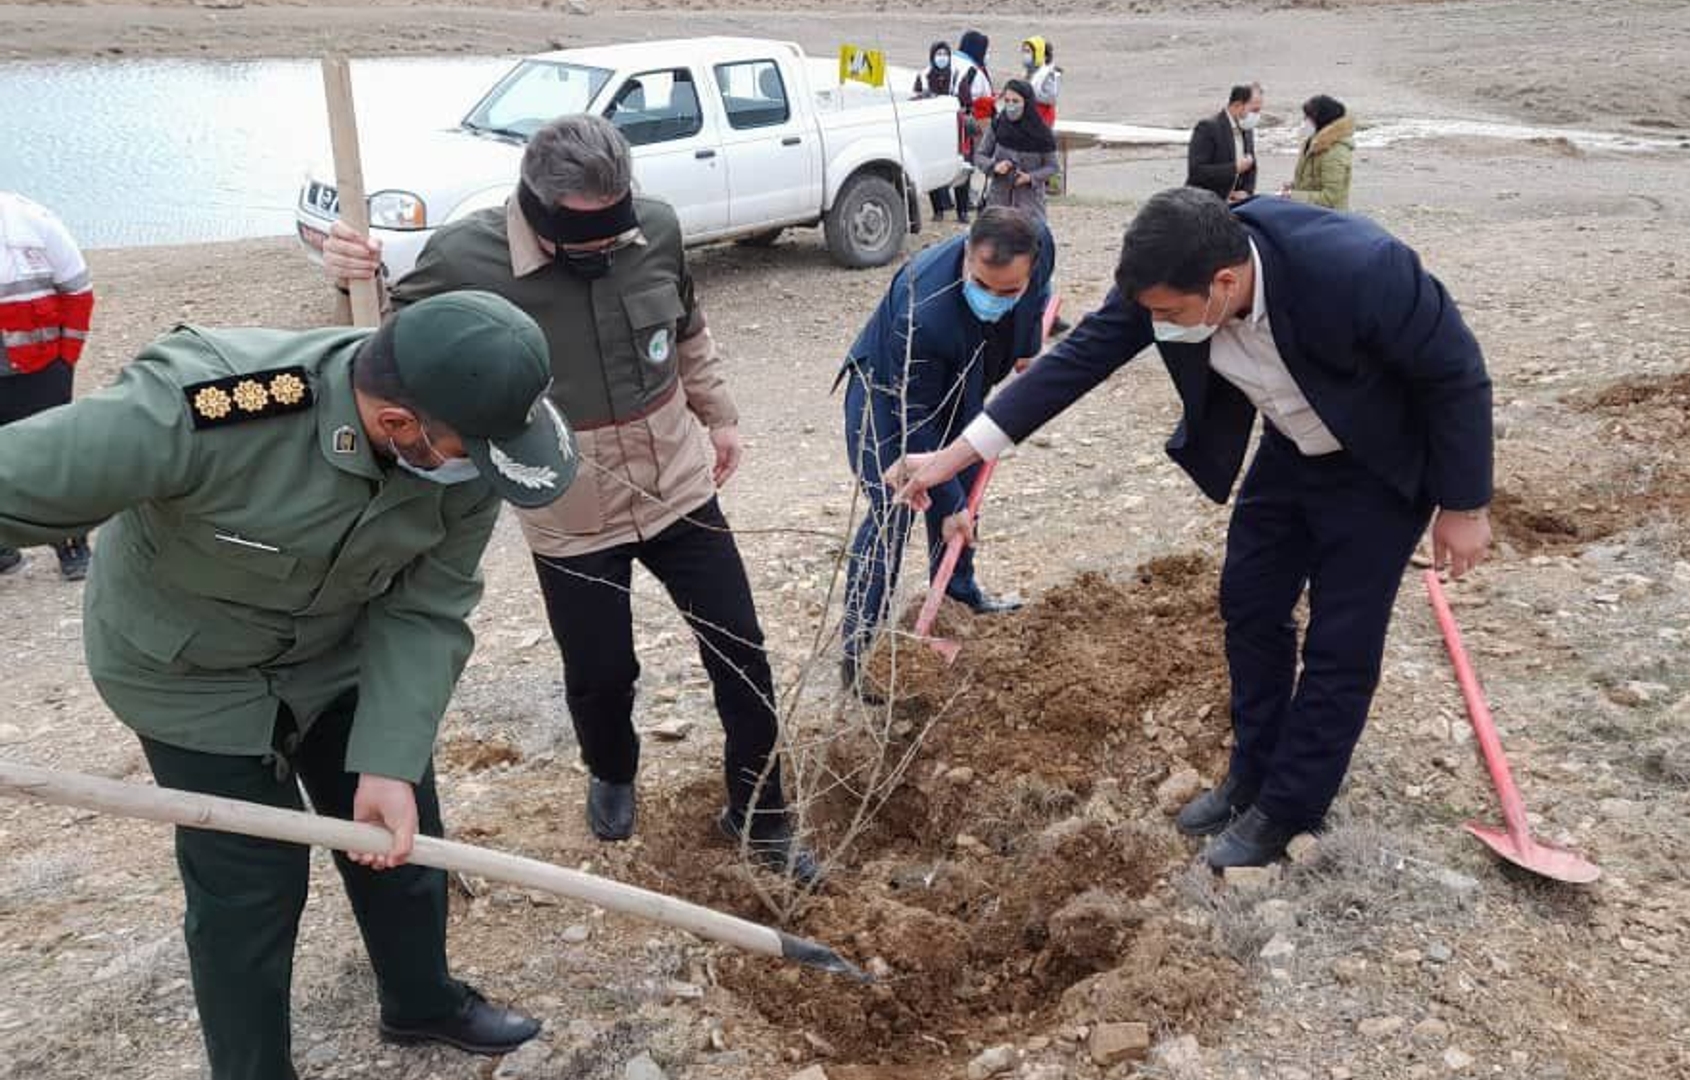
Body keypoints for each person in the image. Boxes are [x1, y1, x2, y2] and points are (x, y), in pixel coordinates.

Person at [0, 289, 572, 1079]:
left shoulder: (468, 453)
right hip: (190, 677)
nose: (476, 471)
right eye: (466, 452)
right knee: (250, 887)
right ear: (400, 425)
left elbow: (430, 604)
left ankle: (421, 1002)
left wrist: (390, 759)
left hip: (339, 653)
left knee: (401, 839)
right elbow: (13, 483)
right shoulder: (210, 406)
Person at [885, 188, 1494, 870]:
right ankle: (1251, 777)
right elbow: (1074, 363)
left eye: (1171, 314)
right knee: (1250, 603)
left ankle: (1291, 806)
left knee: (1340, 643)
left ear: (1224, 284)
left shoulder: (1358, 268)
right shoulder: (1167, 279)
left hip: (1381, 465)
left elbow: (1455, 372)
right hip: (1292, 449)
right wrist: (951, 459)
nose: (1158, 325)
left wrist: (1464, 506)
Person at [322, 115, 820, 885]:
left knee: (741, 651)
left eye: (614, 226)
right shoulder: (464, 255)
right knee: (600, 672)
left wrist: (718, 417)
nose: (604, 246)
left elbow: (688, 331)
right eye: (583, 234)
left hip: (676, 484)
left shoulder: (653, 229)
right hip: (569, 508)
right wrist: (352, 273)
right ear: (538, 203)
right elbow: (387, 356)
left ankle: (762, 815)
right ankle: (612, 772)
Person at [837, 208, 1054, 692]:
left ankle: (957, 598)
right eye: (982, 284)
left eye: (1008, 291)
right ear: (965, 255)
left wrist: (1026, 339)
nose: (994, 298)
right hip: (891, 400)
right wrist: (951, 502)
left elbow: (1036, 299)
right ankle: (858, 650)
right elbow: (920, 427)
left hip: (966, 376)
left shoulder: (1039, 244)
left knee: (965, 479)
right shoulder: (923, 311)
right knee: (897, 508)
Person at [0, 191, 96, 582]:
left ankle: (71, 544)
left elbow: (78, 290)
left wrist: (66, 359)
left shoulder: (34, 222)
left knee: (52, 460)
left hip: (39, 368)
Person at [974, 80, 1061, 221]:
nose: (1011, 106)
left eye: (1015, 101)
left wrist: (1030, 177)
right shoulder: (997, 125)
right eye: (1007, 100)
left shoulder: (1043, 133)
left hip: (1030, 207)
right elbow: (980, 155)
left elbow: (1053, 166)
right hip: (998, 204)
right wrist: (994, 166)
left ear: (1027, 102)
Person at [913, 41, 975, 223]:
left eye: (945, 53)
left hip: (956, 130)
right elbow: (914, 100)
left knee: (962, 169)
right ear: (932, 56)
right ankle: (938, 210)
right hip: (932, 131)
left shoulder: (958, 75)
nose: (942, 57)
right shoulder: (924, 76)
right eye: (938, 54)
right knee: (933, 168)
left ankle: (962, 211)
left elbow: (967, 103)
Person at [1187, 84, 1263, 204]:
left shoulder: (1247, 129)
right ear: (1237, 105)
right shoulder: (1208, 128)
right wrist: (1234, 168)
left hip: (1235, 205)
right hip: (1203, 204)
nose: (1257, 115)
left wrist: (1246, 192)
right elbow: (1197, 171)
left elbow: (1251, 167)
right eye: (1254, 110)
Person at [951, 30, 997, 221]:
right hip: (966, 123)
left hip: (939, 121)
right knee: (967, 162)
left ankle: (943, 204)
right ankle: (963, 208)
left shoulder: (948, 59)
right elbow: (986, 99)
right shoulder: (974, 71)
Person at [1285, 94, 1355, 210]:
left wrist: (1293, 196)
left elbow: (1330, 197)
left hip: (1329, 219)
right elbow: (1312, 180)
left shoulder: (1335, 152)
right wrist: (1293, 187)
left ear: (1321, 119)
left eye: (1308, 117)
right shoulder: (1313, 143)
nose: (1305, 122)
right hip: (1312, 214)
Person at [1021, 36, 1063, 128]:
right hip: (1029, 118)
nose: (1024, 54)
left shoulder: (1050, 73)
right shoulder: (1029, 71)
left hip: (1043, 119)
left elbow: (1051, 98)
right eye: (1024, 51)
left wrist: (1029, 94)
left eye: (1028, 51)